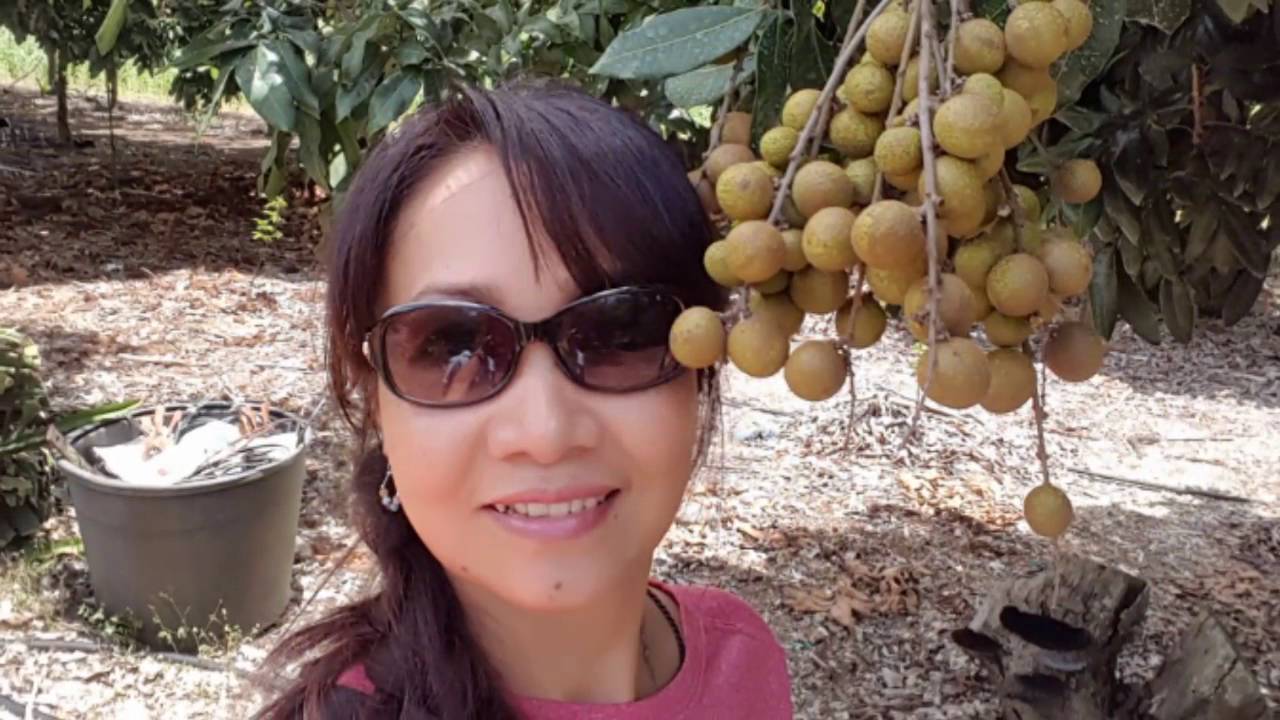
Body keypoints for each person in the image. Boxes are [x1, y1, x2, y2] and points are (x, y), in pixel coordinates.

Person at [251, 77, 794, 719]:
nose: (545, 433)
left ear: (701, 367)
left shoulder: (743, 656)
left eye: (622, 330)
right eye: (451, 343)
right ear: (377, 403)